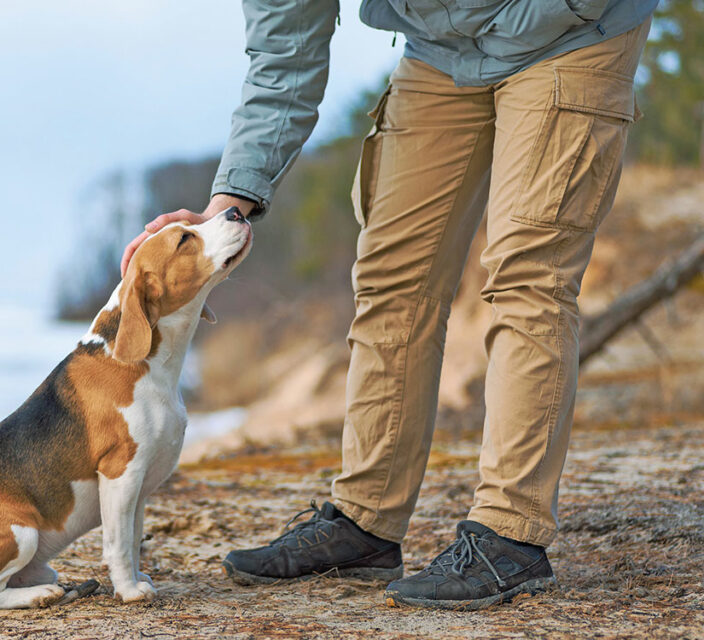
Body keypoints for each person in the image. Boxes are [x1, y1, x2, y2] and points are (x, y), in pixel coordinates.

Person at [121, 0, 657, 610]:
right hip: (442, 52)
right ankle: (366, 523)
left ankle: (511, 534)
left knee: (526, 279)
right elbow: (283, 57)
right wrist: (229, 209)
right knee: (391, 279)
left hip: (570, 33)